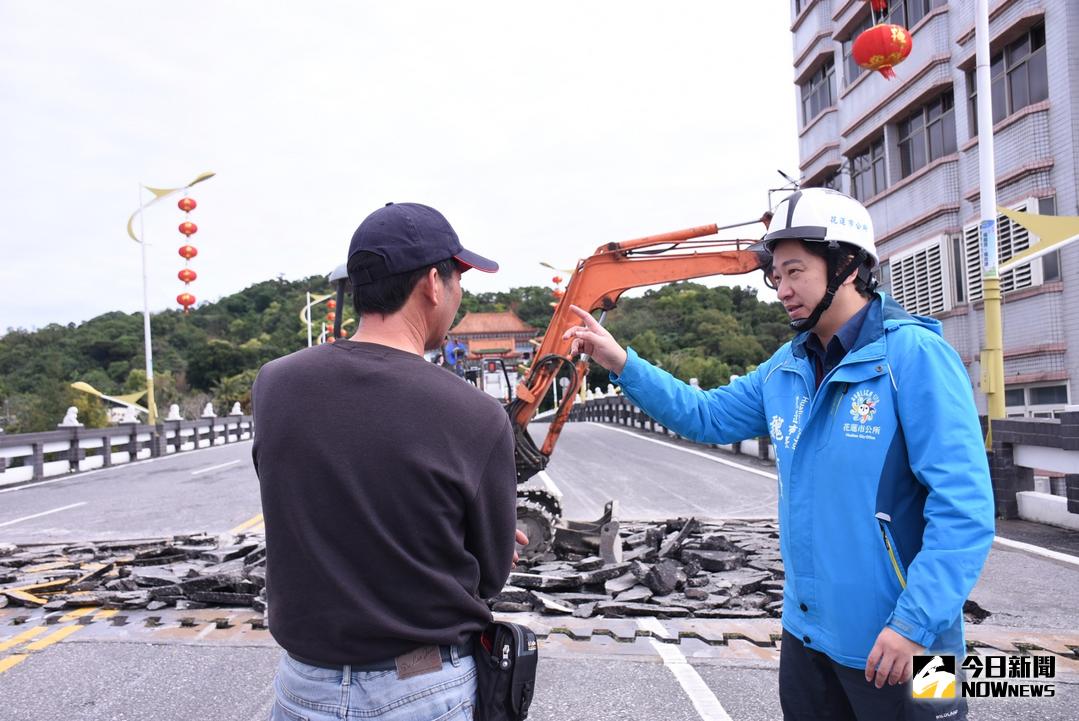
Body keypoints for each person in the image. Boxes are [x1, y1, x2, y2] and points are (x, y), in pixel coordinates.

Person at [564, 188, 995, 720]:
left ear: (848, 266)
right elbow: (707, 415)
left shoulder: (917, 358)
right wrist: (624, 363)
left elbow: (965, 509)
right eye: (776, 276)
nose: (782, 289)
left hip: (916, 648)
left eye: (796, 272)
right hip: (808, 638)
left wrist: (916, 624)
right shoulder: (786, 366)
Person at [252, 202, 525, 721]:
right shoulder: (476, 414)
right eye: (458, 279)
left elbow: (309, 495)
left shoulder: (276, 385)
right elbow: (489, 578)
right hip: (420, 685)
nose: (459, 296)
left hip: (302, 684)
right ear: (431, 284)